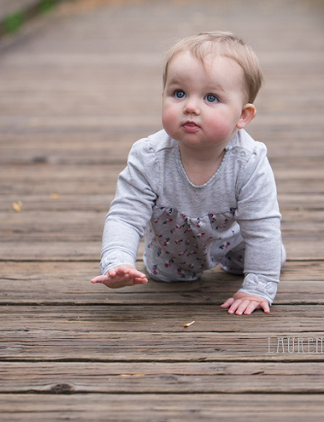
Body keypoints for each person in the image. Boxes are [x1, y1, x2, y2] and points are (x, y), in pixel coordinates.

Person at [91, 32, 285, 315]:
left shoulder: (249, 162)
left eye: (211, 97)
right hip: (172, 250)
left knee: (265, 255)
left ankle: (262, 264)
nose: (191, 107)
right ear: (163, 97)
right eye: (179, 93)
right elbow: (125, 216)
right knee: (166, 278)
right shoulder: (149, 157)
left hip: (235, 238)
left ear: (243, 115)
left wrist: (258, 287)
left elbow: (262, 228)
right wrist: (117, 261)